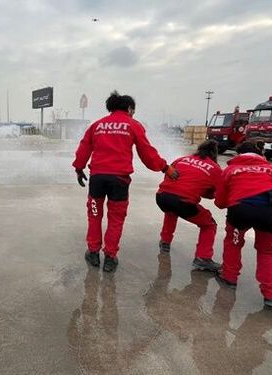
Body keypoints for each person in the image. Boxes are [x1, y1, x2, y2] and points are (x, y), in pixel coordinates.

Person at [72, 91, 179, 273]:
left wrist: (79, 168)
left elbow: (84, 147)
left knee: (95, 215)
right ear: (129, 109)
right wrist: (165, 168)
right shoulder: (132, 124)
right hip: (119, 181)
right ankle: (110, 258)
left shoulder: (96, 126)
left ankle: (93, 253)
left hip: (97, 179)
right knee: (116, 219)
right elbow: (147, 152)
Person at [214, 140, 272, 309]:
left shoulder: (230, 170)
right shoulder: (271, 170)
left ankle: (229, 278)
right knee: (267, 252)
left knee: (233, 243)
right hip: (271, 213)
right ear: (261, 155)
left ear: (238, 154)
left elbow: (220, 202)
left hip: (241, 211)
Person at [156, 140, 222, 272]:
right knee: (209, 224)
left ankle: (165, 242)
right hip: (184, 202)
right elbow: (217, 194)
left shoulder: (182, 159)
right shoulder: (215, 169)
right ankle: (203, 258)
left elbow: (168, 176)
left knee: (171, 211)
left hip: (162, 196)